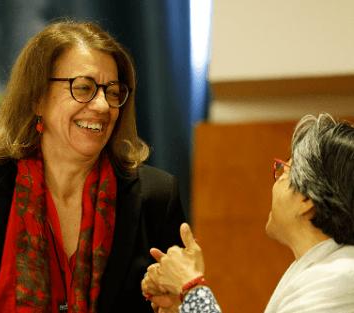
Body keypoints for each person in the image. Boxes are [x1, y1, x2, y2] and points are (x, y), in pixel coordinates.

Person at [0, 19, 185, 313]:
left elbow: (182, 301)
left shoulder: (155, 197)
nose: (102, 106)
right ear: (37, 98)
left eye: (113, 92)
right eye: (84, 88)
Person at [142, 113, 354, 313]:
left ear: (306, 199)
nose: (275, 182)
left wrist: (190, 286)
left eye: (284, 171)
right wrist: (183, 305)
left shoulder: (340, 277)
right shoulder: (320, 270)